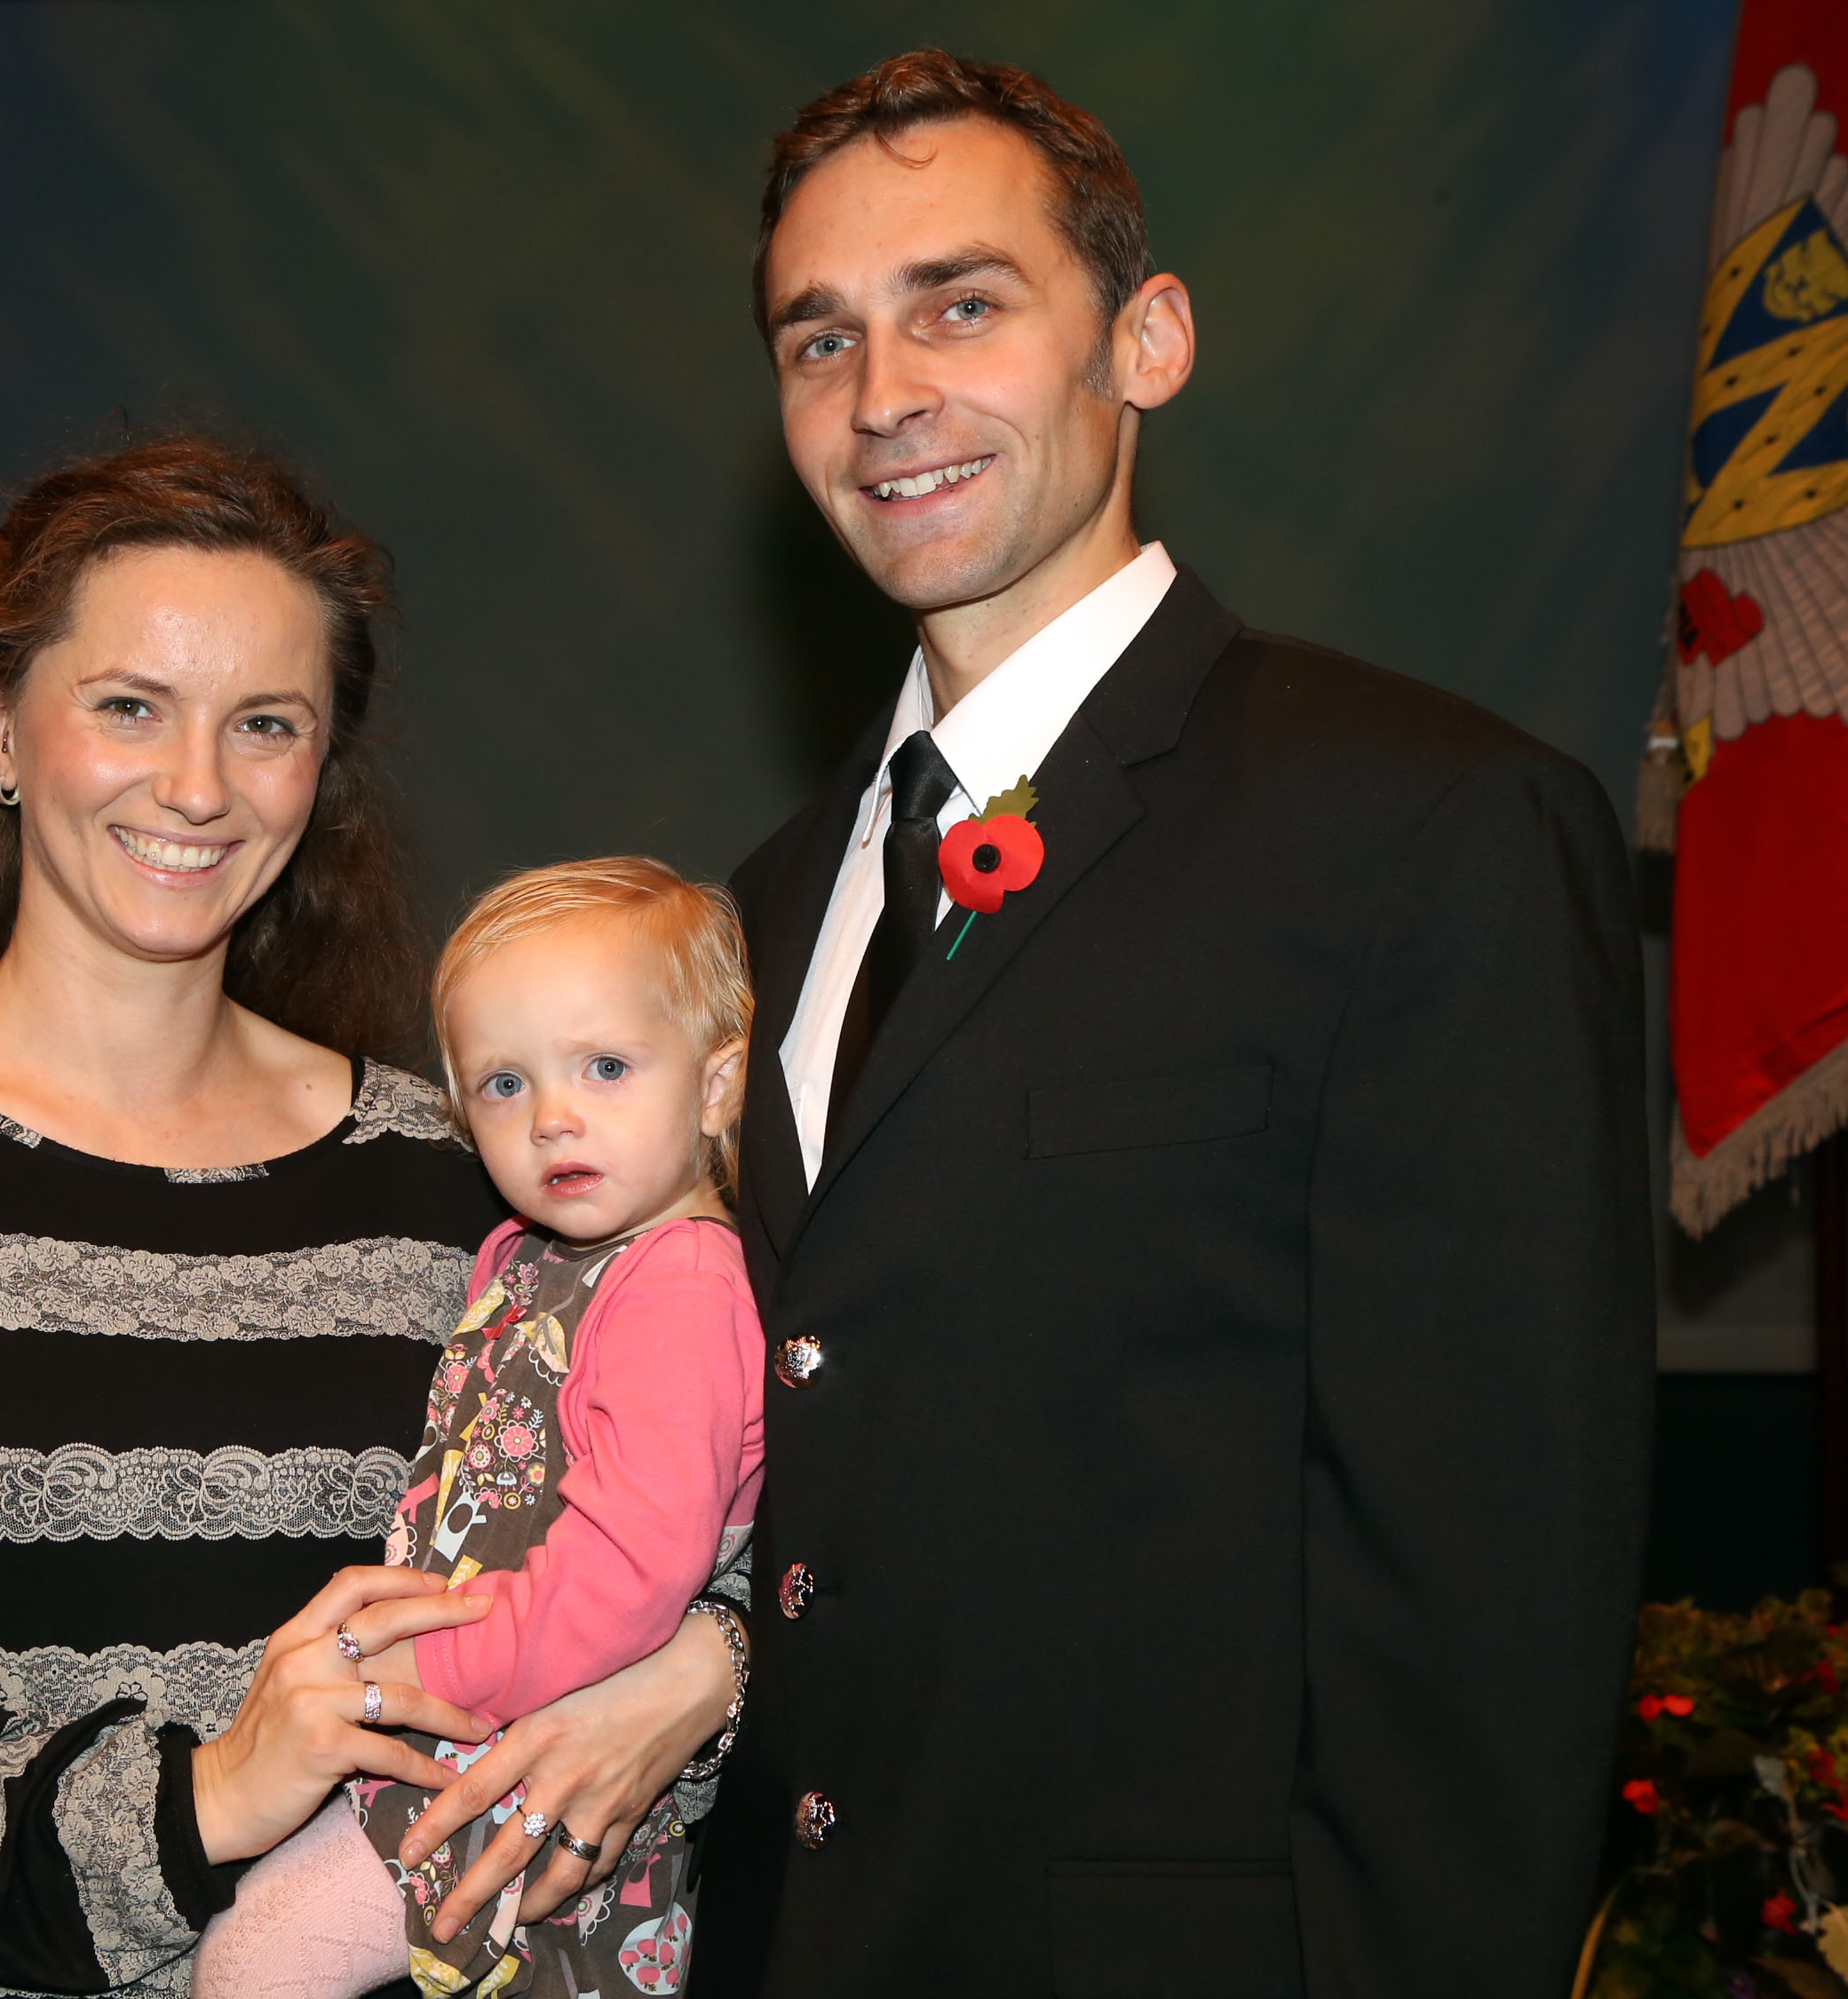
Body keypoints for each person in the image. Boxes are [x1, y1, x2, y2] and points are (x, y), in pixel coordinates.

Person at [704, 52, 1654, 1997]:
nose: (884, 398)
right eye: (822, 341)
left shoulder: (1425, 827)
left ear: (1144, 340)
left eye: (959, 304)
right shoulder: (771, 900)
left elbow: (1489, 1603)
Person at [0, 438, 742, 1999]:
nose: (198, 786)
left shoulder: (467, 1170)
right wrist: (208, 1796)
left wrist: (707, 1675)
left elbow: (725, 1517)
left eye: (266, 724)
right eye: (129, 706)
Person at [195, 858, 765, 1999]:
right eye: (504, 1083)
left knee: (255, 1962)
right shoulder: (532, 1257)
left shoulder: (683, 1283)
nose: (554, 1115)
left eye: (606, 1066)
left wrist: (428, 1659)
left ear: (714, 1088)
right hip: (477, 1726)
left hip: (524, 1746)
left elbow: (633, 1566)